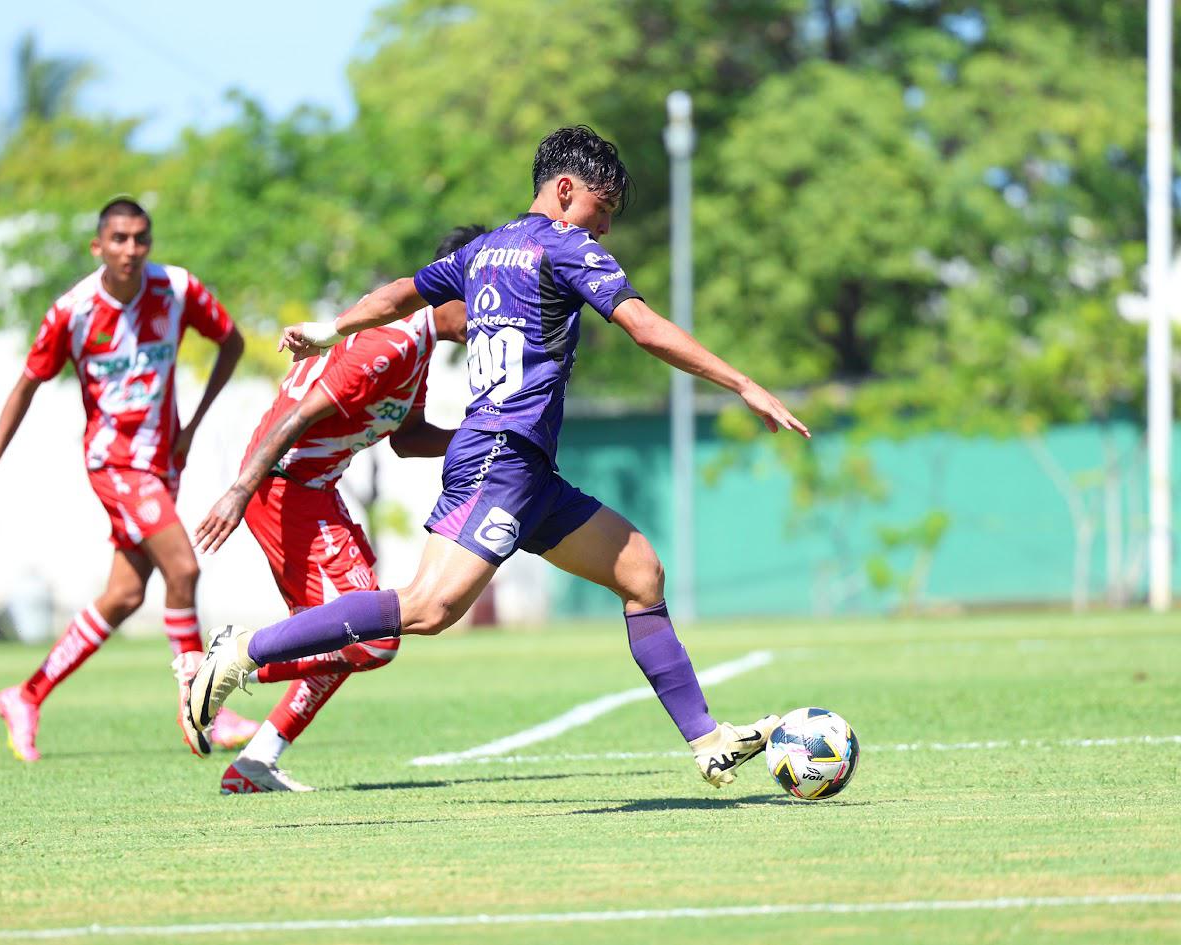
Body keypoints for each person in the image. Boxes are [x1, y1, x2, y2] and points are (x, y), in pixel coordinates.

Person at [185, 127, 810, 789]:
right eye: (600, 210)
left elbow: (400, 293)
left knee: (640, 572)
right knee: (427, 607)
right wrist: (742, 383)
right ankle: (243, 652)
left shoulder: (483, 250)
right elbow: (643, 327)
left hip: (527, 469)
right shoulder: (564, 245)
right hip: (499, 457)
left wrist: (330, 328)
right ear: (565, 191)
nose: (603, 230)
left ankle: (708, 741)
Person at [186, 225, 487, 794]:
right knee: (372, 639)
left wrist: (486, 433)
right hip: (285, 489)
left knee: (345, 633)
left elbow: (408, 439)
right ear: (455, 290)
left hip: (316, 490)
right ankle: (227, 663)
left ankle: (255, 762)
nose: (492, 318)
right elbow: (297, 416)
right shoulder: (389, 342)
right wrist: (239, 490)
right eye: (486, 301)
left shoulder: (415, 345)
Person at [0, 197, 259, 762]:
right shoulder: (73, 311)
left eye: (140, 238)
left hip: (163, 461)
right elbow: (25, 387)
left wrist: (193, 424)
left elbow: (233, 343)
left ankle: (26, 696)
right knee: (183, 568)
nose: (131, 249)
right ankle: (203, 708)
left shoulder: (177, 289)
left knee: (124, 595)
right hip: (114, 462)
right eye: (119, 239)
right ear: (97, 246)